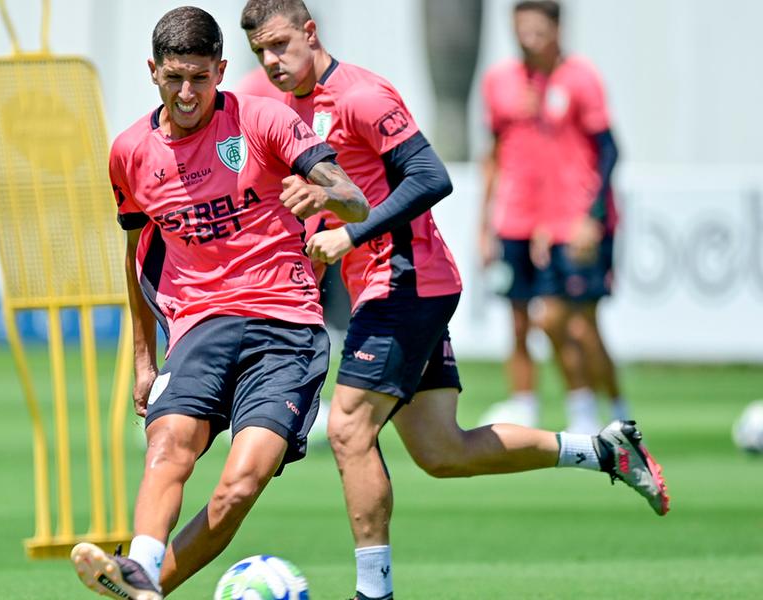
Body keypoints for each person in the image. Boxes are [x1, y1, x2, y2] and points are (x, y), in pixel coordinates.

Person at [238, 1, 668, 599]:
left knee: (348, 431)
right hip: (389, 287)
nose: (272, 61)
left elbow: (432, 176)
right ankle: (601, 449)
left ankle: (373, 593)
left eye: (281, 45)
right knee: (443, 452)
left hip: (407, 281)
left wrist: (351, 232)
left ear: (310, 33)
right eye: (262, 51)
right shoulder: (288, 110)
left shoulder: (363, 95)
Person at [68, 7, 369, 599]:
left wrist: (321, 191)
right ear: (152, 71)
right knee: (169, 442)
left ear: (222, 71)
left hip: (286, 328)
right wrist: (141, 359)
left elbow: (354, 198)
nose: (186, 94)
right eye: (174, 78)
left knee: (239, 487)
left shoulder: (262, 120)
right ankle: (143, 569)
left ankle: (141, 582)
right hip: (200, 323)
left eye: (200, 79)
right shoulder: (130, 151)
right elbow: (136, 256)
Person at [477, 0, 628, 434]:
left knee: (576, 322)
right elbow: (494, 155)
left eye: (537, 31)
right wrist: (484, 225)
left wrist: (591, 216)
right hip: (519, 222)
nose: (528, 40)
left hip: (573, 224)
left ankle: (617, 409)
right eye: (521, 30)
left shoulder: (579, 78)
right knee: (523, 320)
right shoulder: (501, 83)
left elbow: (610, 150)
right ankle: (540, 408)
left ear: (557, 30)